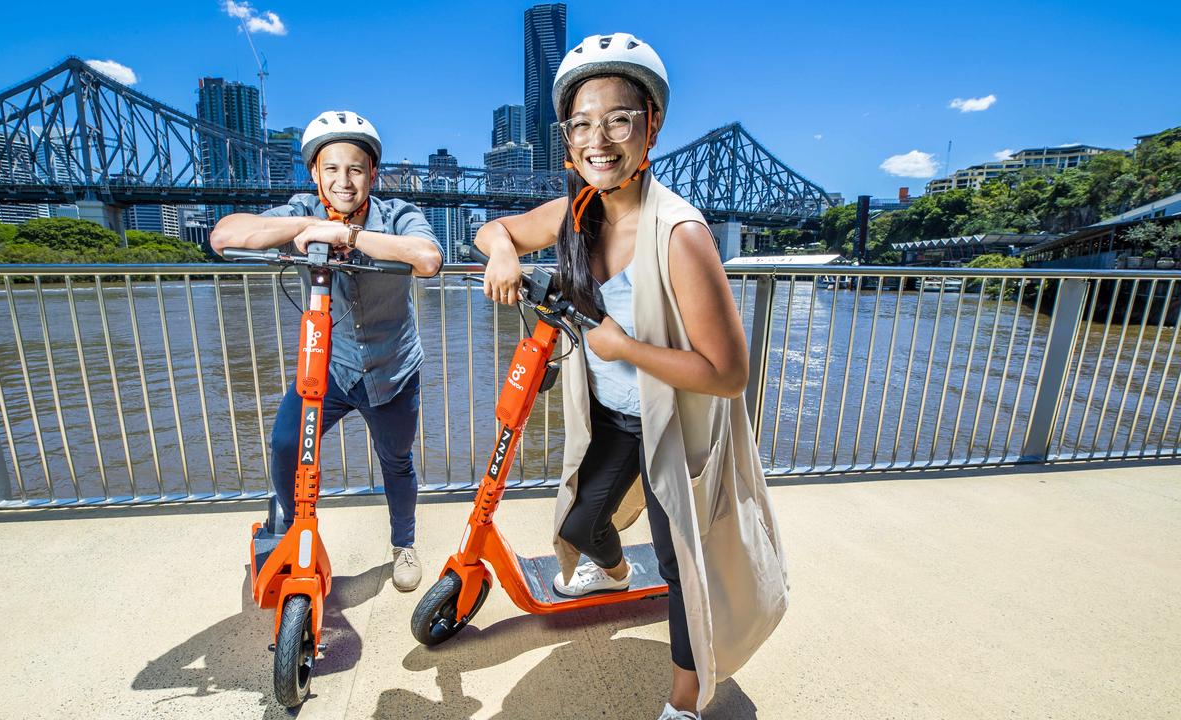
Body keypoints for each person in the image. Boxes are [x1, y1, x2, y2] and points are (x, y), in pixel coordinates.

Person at [474, 34, 789, 719]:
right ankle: (613, 576)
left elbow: (729, 373)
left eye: (619, 118)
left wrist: (625, 346)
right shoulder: (577, 214)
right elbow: (493, 228)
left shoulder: (680, 234)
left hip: (673, 426)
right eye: (582, 122)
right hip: (616, 417)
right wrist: (500, 250)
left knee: (685, 570)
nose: (599, 138)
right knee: (582, 522)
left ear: (652, 123)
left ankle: (684, 702)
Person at [210, 110, 443, 592]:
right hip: (330, 368)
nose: (344, 180)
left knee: (395, 459)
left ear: (372, 174)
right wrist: (305, 224)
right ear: (314, 174)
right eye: (331, 169)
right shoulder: (302, 207)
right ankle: (294, 529)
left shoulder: (398, 214)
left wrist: (344, 235)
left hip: (393, 368)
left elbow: (427, 258)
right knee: (284, 445)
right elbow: (224, 235)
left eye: (356, 169)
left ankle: (404, 543)